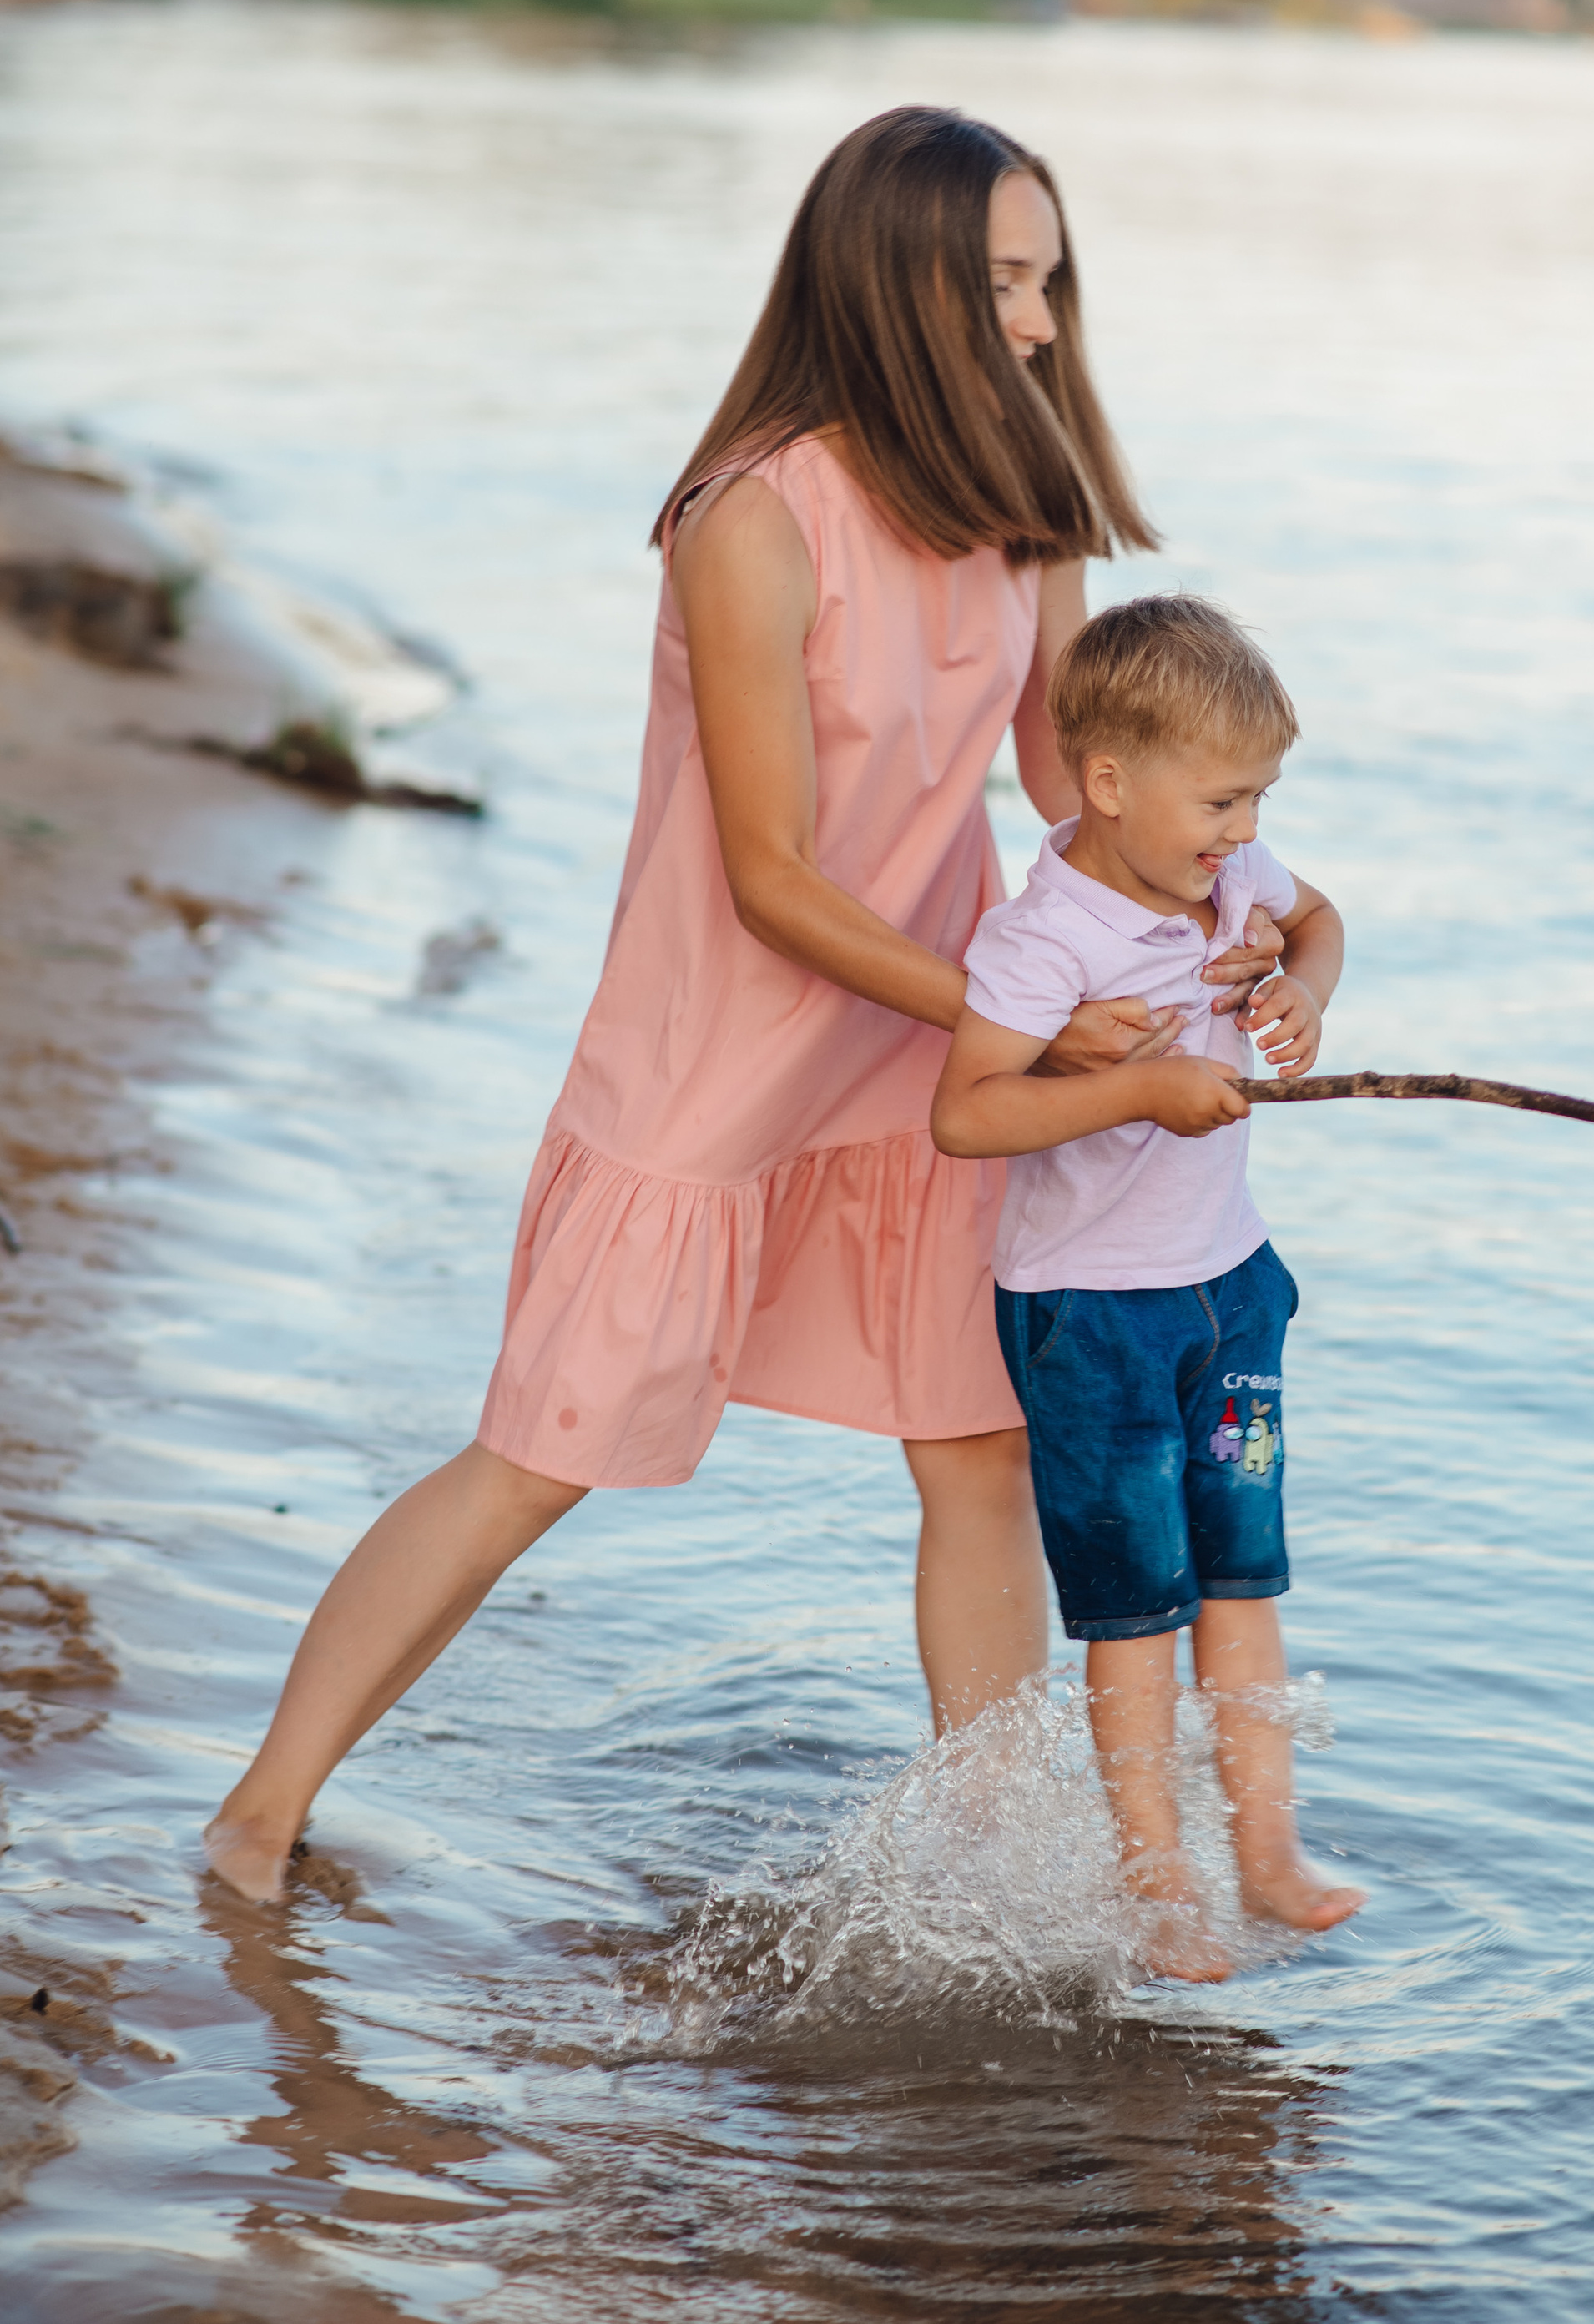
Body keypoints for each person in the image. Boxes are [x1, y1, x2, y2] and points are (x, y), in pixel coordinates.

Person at [205, 108, 1284, 1903]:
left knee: (980, 1451)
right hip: (715, 1057)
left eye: (1048, 282)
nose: (1037, 325)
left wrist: (1232, 909)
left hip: (927, 1062)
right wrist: (1000, 1014)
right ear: (898, 286)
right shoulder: (750, 516)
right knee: (536, 1459)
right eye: (1004, 283)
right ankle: (257, 1816)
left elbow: (1070, 788)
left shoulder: (1024, 517)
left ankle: (995, 1883)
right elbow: (771, 877)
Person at [931, 593, 1365, 1980]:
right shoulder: (1043, 936)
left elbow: (1322, 918)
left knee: (1243, 1576)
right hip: (1094, 1317)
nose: (1244, 831)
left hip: (1228, 1287)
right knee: (1140, 1609)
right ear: (1110, 784)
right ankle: (1158, 1878)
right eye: (1224, 800)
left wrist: (1307, 990)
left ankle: (1267, 1849)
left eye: (1260, 800)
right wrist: (1130, 1086)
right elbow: (966, 1113)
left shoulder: (1232, 881)